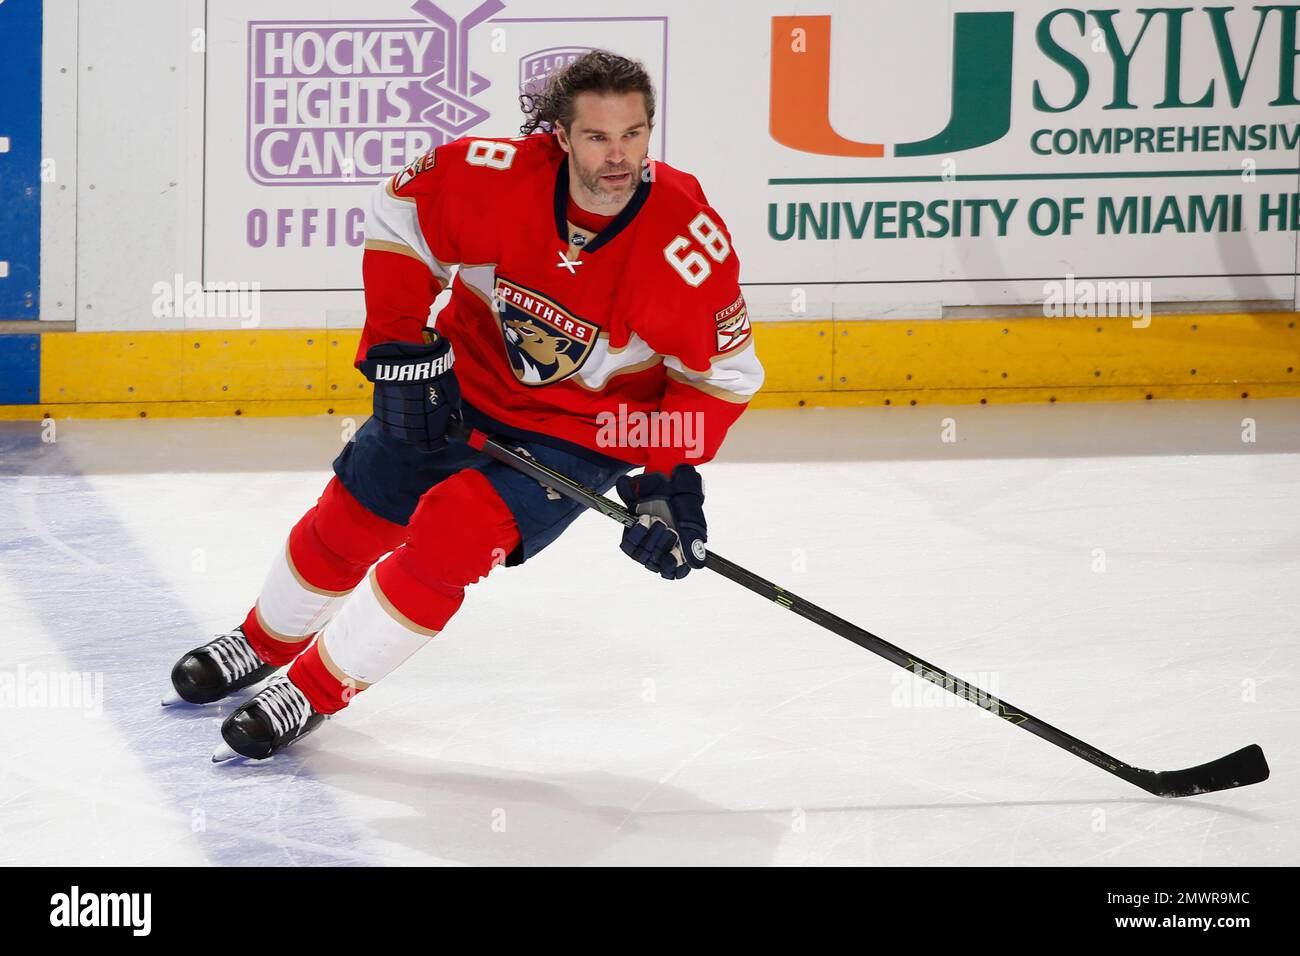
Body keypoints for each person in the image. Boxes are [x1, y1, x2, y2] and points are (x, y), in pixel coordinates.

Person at [163, 50, 764, 760]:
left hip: (581, 433)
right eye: (598, 137)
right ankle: (261, 643)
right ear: (561, 135)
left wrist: (667, 481)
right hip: (461, 389)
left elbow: (720, 378)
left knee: (452, 533)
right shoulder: (495, 177)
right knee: (355, 512)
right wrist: (397, 348)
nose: (617, 157)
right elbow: (402, 214)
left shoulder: (683, 244)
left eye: (633, 135)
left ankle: (313, 692)